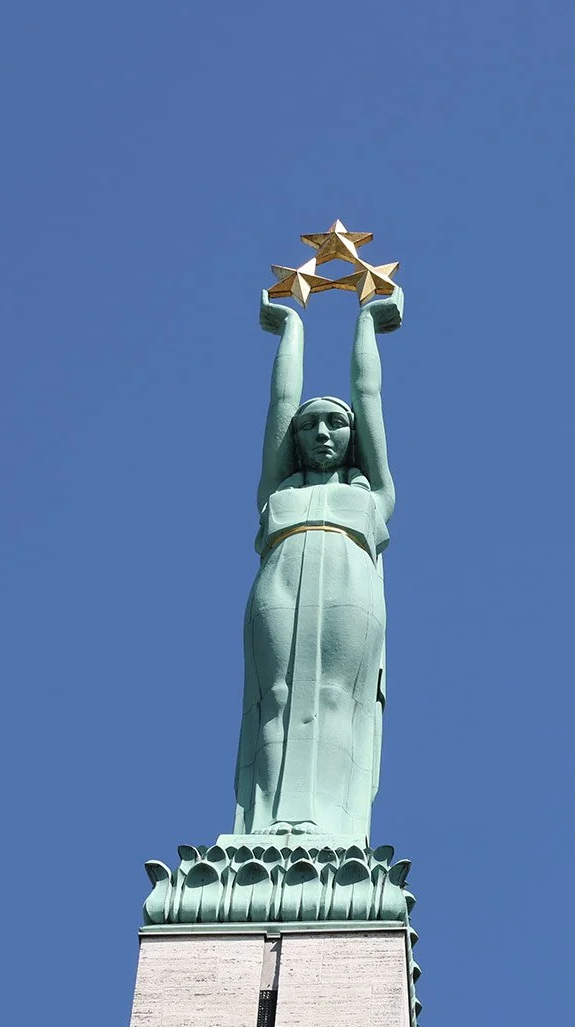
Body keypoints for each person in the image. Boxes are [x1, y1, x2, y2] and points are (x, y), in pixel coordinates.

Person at [231, 285, 404, 844]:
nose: (323, 432)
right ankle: (269, 822)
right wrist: (291, 329)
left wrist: (367, 324)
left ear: (353, 436)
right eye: (311, 426)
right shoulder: (278, 494)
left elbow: (368, 394)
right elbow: (280, 405)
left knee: (334, 695)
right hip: (280, 580)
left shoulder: (372, 495)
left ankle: (328, 824)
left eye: (335, 423)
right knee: (277, 696)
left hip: (350, 581)